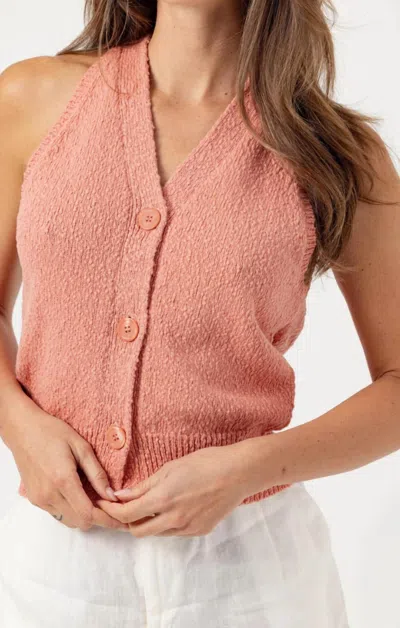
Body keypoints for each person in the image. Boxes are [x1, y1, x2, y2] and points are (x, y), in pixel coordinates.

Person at [0, 0, 399, 626]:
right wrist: (18, 425)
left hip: (251, 573)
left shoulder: (335, 152)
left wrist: (247, 469)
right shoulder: (33, 98)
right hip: (56, 563)